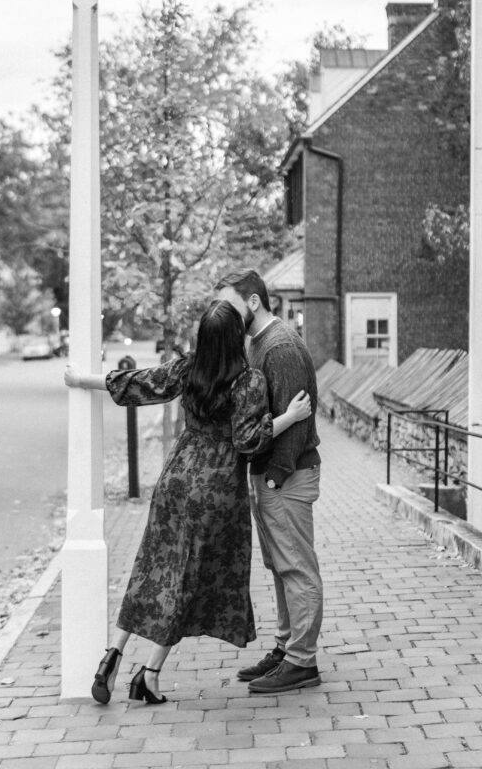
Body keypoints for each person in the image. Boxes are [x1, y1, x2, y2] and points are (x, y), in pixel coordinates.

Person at [64, 299, 311, 706]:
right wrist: (290, 416)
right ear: (236, 338)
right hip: (215, 491)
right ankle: (151, 674)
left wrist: (82, 379)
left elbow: (140, 382)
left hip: (175, 479)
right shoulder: (248, 381)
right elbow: (247, 440)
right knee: (187, 583)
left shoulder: (189, 368)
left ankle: (111, 655)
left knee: (152, 569)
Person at [216, 269, 323, 694]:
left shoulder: (280, 348)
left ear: (254, 302)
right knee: (281, 566)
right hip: (271, 476)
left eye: (229, 303)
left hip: (287, 476)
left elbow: (299, 419)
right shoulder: (257, 343)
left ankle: (302, 661)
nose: (223, 312)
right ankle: (286, 648)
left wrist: (275, 477)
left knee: (297, 567)